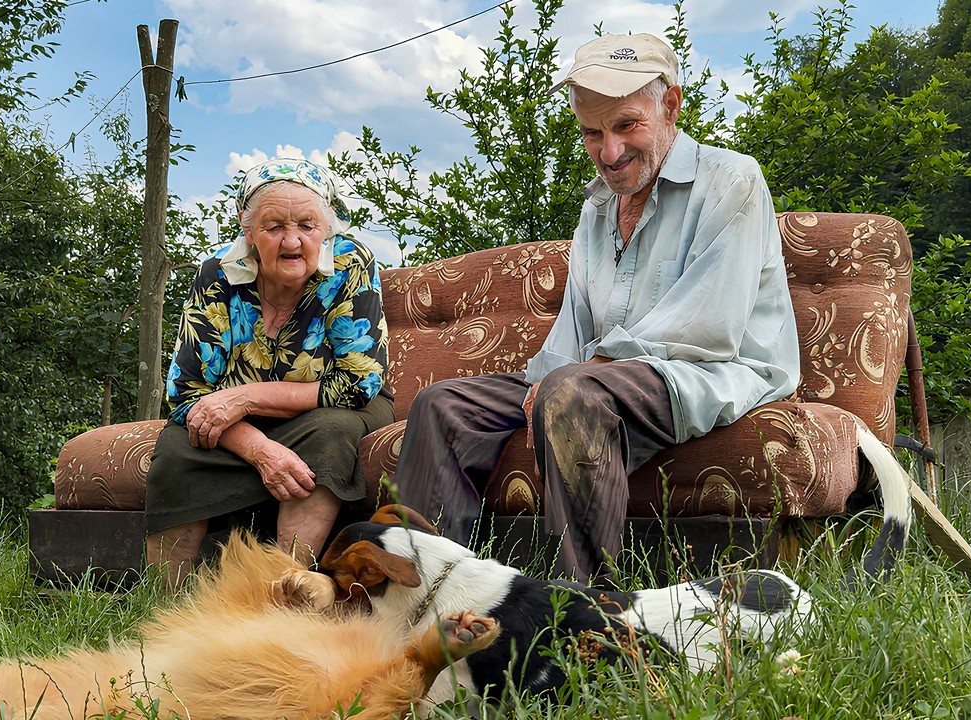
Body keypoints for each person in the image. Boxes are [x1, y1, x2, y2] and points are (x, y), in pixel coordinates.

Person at [391, 33, 800, 584]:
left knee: (570, 395)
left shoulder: (732, 180)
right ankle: (435, 602)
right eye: (592, 132)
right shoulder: (598, 208)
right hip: (599, 375)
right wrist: (553, 375)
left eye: (627, 125)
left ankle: (584, 620)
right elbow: (575, 325)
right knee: (441, 407)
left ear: (671, 106)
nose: (609, 152)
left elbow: (710, 324)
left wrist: (577, 374)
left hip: (707, 370)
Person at [144, 157, 393, 589]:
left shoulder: (352, 265)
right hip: (238, 422)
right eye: (274, 226)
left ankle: (280, 596)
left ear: (328, 229)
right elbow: (187, 393)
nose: (292, 240)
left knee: (329, 431)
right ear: (248, 232)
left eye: (308, 226)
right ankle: (166, 603)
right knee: (180, 444)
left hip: (338, 406)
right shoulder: (217, 274)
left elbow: (358, 382)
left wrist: (244, 398)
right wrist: (260, 448)